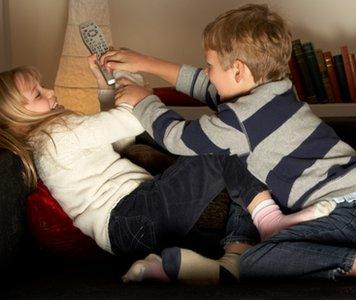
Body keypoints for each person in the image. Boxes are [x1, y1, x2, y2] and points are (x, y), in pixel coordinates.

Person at [101, 4, 356, 286]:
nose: (208, 74)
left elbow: (178, 138)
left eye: (211, 65)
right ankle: (233, 257)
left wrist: (143, 102)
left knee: (258, 260)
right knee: (245, 168)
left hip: (352, 217)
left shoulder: (239, 122)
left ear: (238, 70)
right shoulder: (277, 91)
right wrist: (145, 63)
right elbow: (206, 85)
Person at [0, 55, 333, 285]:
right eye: (38, 94)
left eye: (44, 86)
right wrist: (132, 89)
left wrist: (107, 88)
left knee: (227, 225)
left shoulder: (51, 142)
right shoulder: (56, 134)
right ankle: (269, 218)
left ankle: (186, 262)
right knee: (223, 146)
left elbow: (121, 138)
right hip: (135, 213)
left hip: (128, 232)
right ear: (17, 117)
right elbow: (132, 119)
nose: (51, 92)